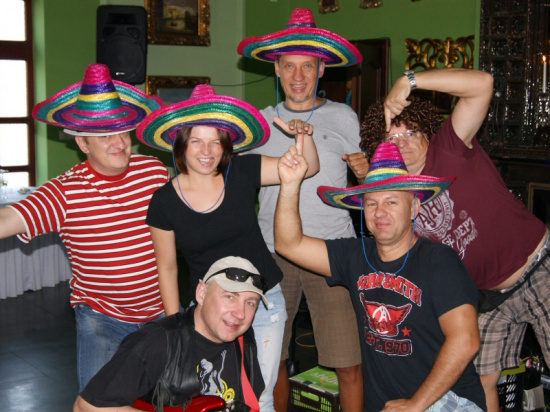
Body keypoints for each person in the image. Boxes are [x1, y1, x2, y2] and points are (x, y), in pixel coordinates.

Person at [359, 67, 550, 412]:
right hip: (486, 297)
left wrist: (409, 81)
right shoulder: (393, 200)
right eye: (391, 137)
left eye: (411, 132)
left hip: (538, 267)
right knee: (480, 382)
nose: (402, 143)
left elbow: (483, 84)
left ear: (427, 134)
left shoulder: (449, 146)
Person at [136, 83, 320, 412]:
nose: (206, 151)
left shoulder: (242, 172)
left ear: (225, 146)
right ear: (181, 143)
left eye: (215, 141)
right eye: (196, 141)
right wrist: (175, 326)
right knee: (214, 394)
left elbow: (308, 167)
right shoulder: (163, 201)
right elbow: (167, 267)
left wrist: (303, 136)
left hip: (262, 301)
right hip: (208, 309)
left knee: (260, 396)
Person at [274, 141, 487, 411]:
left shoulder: (438, 261)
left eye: (391, 202)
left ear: (414, 208)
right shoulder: (354, 255)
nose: (380, 212)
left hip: (446, 399)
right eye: (371, 203)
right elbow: (289, 244)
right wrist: (290, 184)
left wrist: (415, 405)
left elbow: (465, 340)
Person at [0, 63, 170, 392]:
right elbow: (7, 220)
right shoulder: (64, 192)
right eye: (105, 135)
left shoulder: (154, 172)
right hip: (102, 320)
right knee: (95, 403)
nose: (119, 142)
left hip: (159, 315)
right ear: (83, 143)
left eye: (123, 131)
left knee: (167, 401)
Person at [237, 8, 368, 410]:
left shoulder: (344, 117)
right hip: (272, 250)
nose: (298, 76)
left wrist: (366, 173)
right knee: (270, 358)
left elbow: (369, 185)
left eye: (307, 66)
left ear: (321, 69)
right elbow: (231, 178)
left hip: (332, 251)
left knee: (349, 362)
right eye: (289, 66)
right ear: (276, 69)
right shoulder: (259, 123)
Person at [73, 256, 267, 412]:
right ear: (201, 293)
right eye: (230, 297)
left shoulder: (244, 341)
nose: (240, 314)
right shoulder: (157, 342)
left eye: (250, 303)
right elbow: (86, 407)